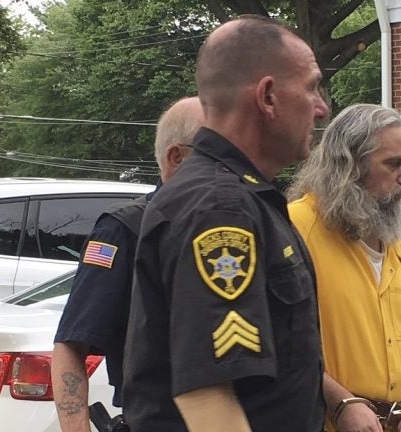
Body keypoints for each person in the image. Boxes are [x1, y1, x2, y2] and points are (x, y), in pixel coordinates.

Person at [122, 15, 330, 432]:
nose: (322, 106)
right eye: (311, 87)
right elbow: (207, 394)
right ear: (268, 97)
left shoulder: (239, 198)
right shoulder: (220, 210)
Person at [51, 96, 203, 432]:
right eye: (214, 155)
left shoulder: (234, 226)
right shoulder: (125, 230)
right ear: (176, 157)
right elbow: (72, 344)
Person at [287, 104, 401, 432]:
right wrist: (340, 402)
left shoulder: (396, 248)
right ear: (350, 165)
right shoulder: (296, 228)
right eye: (393, 164)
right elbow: (279, 338)